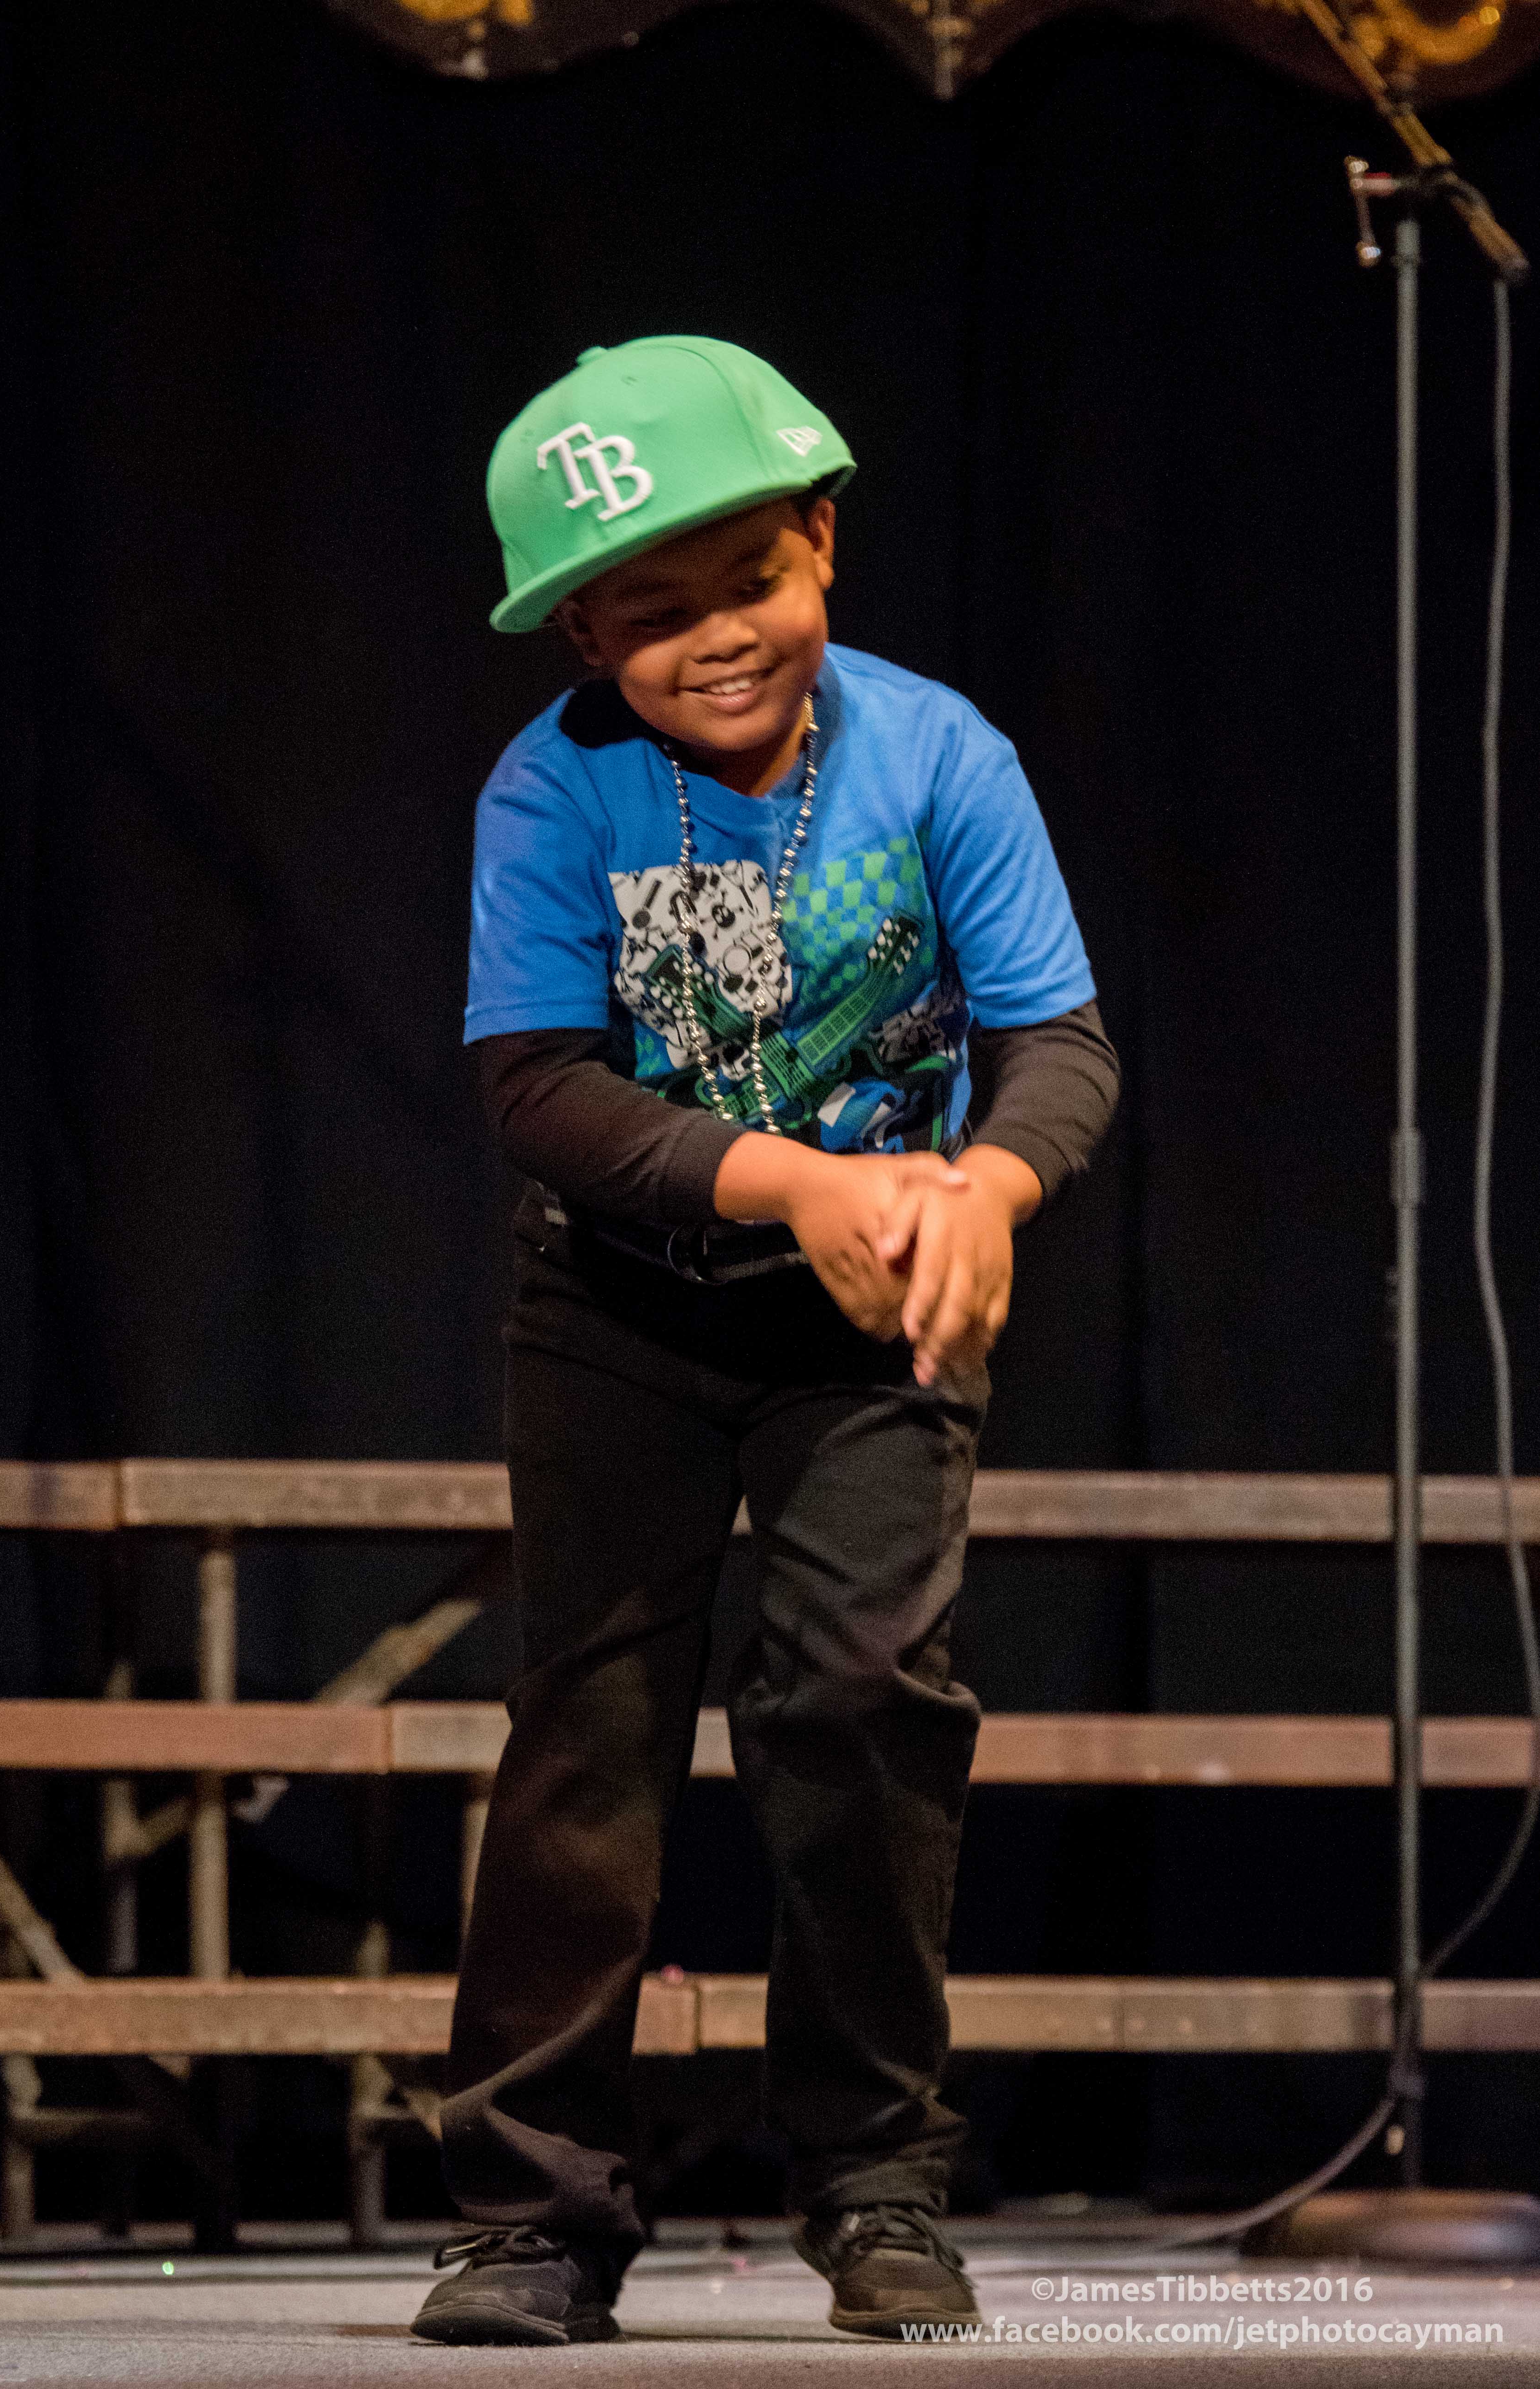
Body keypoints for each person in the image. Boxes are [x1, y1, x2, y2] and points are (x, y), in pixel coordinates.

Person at [412, 337, 1119, 2348]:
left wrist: (984, 1188)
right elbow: (540, 1085)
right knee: (591, 1728)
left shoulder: (937, 754)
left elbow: (1054, 1041)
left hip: (871, 1322)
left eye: (751, 580)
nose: (716, 636)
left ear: (822, 542)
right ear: (582, 633)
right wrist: (787, 1180)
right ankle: (535, 2209)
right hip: (619, 1310)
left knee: (863, 1701)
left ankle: (877, 2177)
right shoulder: (556, 785)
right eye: (652, 613)